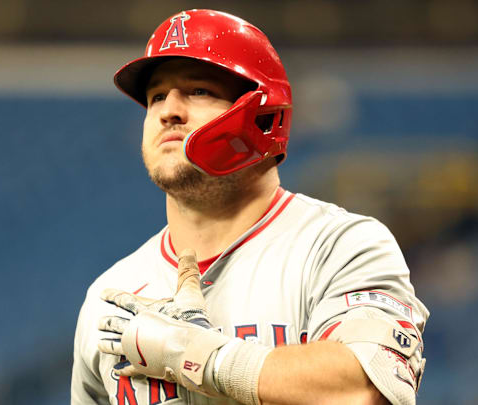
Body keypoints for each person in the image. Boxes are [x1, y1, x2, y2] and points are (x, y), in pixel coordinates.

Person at [71, 9, 428, 405]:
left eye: (198, 90)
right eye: (156, 97)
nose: (168, 110)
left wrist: (199, 357)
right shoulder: (110, 296)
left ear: (262, 115)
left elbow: (364, 387)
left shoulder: (340, 247)